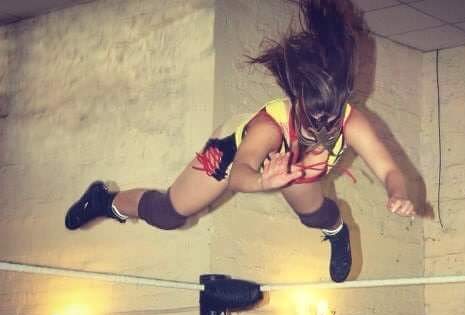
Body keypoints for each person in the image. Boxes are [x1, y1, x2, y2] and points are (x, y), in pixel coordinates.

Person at [63, 0, 417, 283]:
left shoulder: (353, 122)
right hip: (235, 151)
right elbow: (239, 173)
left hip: (292, 167)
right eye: (313, 123)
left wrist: (398, 193)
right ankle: (105, 200)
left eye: (331, 122)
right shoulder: (269, 127)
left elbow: (389, 171)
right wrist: (263, 181)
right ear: (298, 105)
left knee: (314, 214)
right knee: (168, 215)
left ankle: (337, 231)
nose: (323, 131)